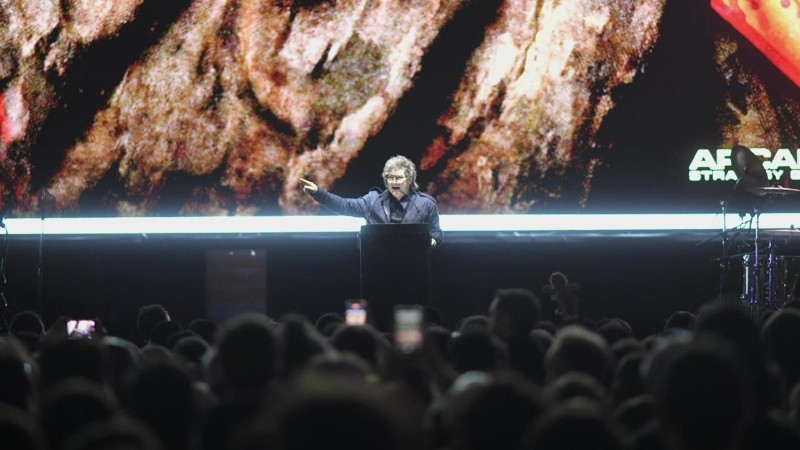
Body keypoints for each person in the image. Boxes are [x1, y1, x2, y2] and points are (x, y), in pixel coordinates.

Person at [300, 155, 443, 248]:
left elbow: (436, 232)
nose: (393, 181)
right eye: (389, 177)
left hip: (414, 266)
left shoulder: (426, 204)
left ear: (410, 179)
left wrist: (432, 241)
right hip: (378, 265)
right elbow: (344, 206)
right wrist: (317, 193)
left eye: (398, 178)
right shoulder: (373, 200)